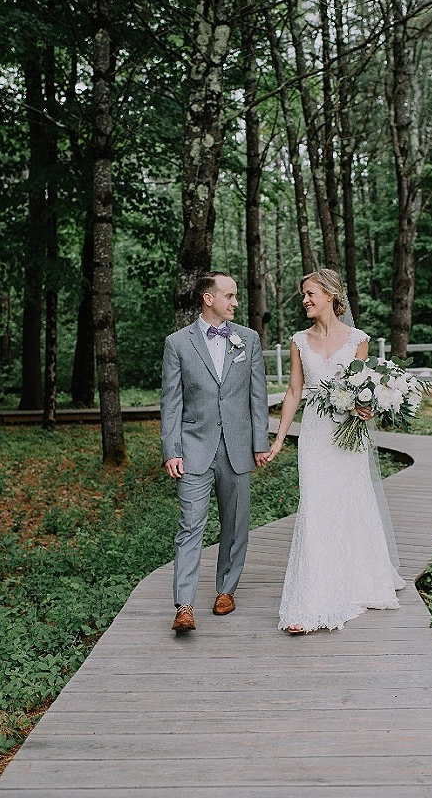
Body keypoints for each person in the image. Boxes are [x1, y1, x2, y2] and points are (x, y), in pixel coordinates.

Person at [267, 269, 405, 634]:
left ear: (330, 295)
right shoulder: (299, 341)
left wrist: (366, 407)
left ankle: (356, 580)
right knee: (315, 506)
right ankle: (310, 600)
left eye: (310, 293)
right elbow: (294, 391)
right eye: (304, 295)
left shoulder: (358, 340)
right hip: (314, 434)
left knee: (350, 502)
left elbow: (365, 389)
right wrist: (279, 439)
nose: (305, 300)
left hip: (347, 434)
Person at [161, 271, 270, 633]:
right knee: (190, 525)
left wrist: (260, 443)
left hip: (237, 447)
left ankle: (226, 589)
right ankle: (184, 605)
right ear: (209, 298)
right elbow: (171, 402)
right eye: (230, 296)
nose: (235, 302)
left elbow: (257, 395)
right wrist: (172, 449)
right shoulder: (177, 343)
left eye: (235, 296)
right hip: (194, 448)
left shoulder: (248, 339)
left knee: (235, 524)